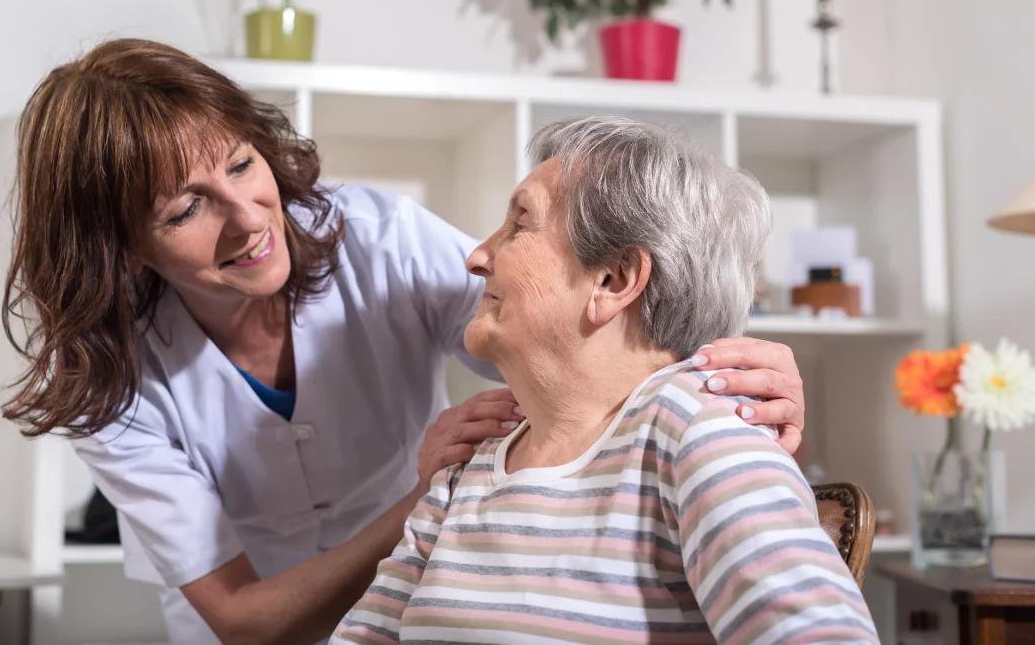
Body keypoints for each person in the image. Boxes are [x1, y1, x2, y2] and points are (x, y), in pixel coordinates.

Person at [2, 38, 810, 644]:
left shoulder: (378, 240)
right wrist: (428, 497)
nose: (252, 218)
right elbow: (244, 620)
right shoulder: (110, 384)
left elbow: (577, 333)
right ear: (120, 248)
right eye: (185, 210)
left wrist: (727, 370)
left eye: (243, 165)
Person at [333, 118, 878, 643]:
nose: (476, 257)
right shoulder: (472, 462)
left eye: (520, 223)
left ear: (613, 280)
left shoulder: (697, 434)